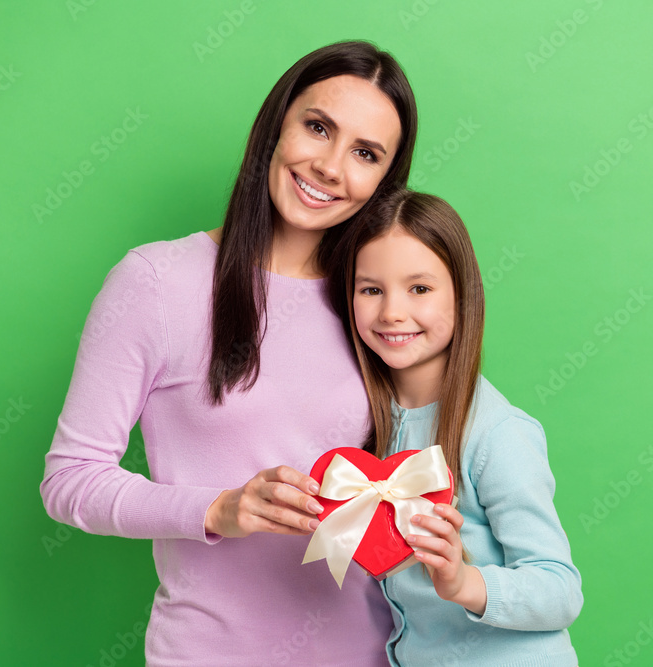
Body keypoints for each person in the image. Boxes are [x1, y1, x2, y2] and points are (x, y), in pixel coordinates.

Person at [39, 41, 418, 666]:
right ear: (276, 123)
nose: (329, 166)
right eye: (317, 127)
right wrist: (219, 507)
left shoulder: (376, 302)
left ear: (384, 180)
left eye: (365, 153)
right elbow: (70, 480)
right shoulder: (157, 282)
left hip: (377, 653)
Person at [337, 189, 582, 666]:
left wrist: (463, 581)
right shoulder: (365, 421)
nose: (391, 312)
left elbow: (560, 589)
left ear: (462, 295)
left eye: (420, 289)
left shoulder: (497, 434)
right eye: (371, 289)